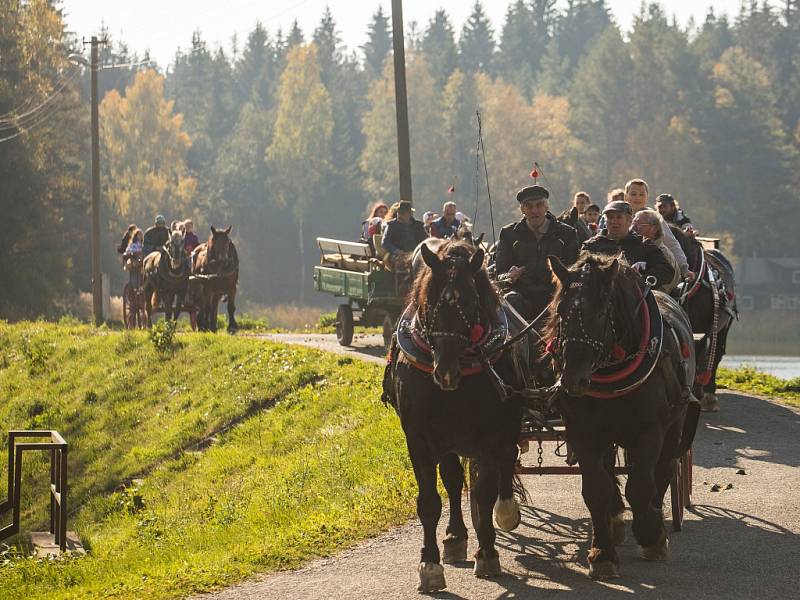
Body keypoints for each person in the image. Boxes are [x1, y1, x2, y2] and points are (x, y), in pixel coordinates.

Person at [494, 185, 579, 321]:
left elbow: (575, 269)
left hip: (555, 298)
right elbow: (500, 273)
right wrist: (509, 276)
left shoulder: (566, 233)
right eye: (529, 206)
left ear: (546, 207)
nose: (534, 210)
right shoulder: (509, 234)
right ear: (522, 210)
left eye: (539, 205)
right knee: (509, 300)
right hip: (522, 297)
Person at [583, 201, 675, 289]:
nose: (614, 221)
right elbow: (579, 271)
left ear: (629, 220)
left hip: (635, 300)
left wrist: (640, 280)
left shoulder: (643, 245)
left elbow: (666, 270)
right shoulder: (591, 246)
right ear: (605, 221)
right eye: (610, 217)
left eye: (619, 217)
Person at [624, 179, 694, 282]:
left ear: (647, 197)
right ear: (626, 197)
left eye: (642, 194)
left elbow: (671, 243)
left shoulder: (654, 217)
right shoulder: (619, 215)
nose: (637, 198)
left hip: (653, 266)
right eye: (633, 194)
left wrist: (684, 268)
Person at [631, 209, 681, 293]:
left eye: (638, 225)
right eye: (632, 224)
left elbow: (665, 288)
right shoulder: (636, 247)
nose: (632, 228)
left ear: (653, 229)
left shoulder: (662, 253)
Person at [381, 200, 427, 267]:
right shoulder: (391, 225)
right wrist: (397, 251)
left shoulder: (419, 226)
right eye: (398, 212)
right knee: (400, 264)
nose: (399, 215)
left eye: (403, 213)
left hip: (416, 254)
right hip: (397, 255)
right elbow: (385, 242)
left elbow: (424, 241)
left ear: (409, 213)